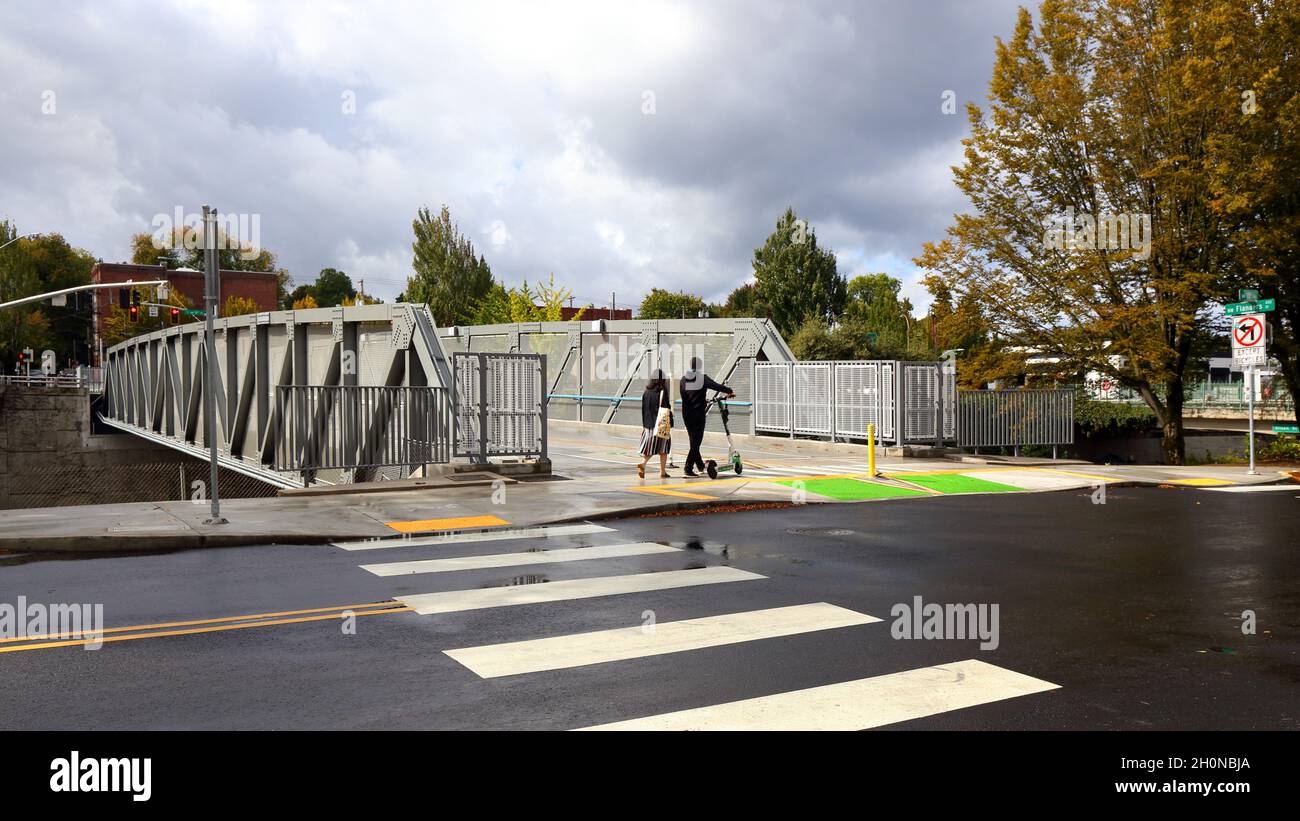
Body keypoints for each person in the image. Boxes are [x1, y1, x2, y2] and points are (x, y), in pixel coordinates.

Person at [679, 357, 734, 477]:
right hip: (698, 414)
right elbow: (716, 386)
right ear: (699, 366)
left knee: (693, 441)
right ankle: (688, 468)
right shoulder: (702, 378)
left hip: (686, 413)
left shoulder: (683, 380)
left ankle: (699, 465)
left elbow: (685, 396)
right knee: (696, 441)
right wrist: (729, 391)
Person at [637, 369, 673, 478]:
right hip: (660, 426)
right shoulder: (662, 393)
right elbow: (666, 409)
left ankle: (648, 465)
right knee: (664, 449)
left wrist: (644, 426)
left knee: (650, 448)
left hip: (648, 426)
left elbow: (643, 411)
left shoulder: (646, 393)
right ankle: (654, 468)